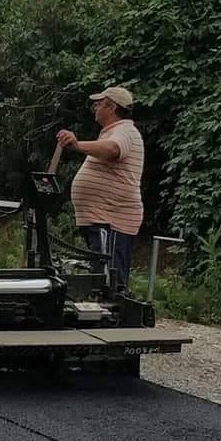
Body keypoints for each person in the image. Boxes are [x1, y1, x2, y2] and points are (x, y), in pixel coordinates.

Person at [57, 84, 145, 292]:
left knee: (109, 275)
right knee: (102, 270)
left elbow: (114, 149)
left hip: (112, 220)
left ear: (111, 107)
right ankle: (106, 308)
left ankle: (116, 314)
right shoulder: (112, 132)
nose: (95, 108)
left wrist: (77, 145)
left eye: (98, 104)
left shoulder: (125, 131)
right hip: (102, 218)